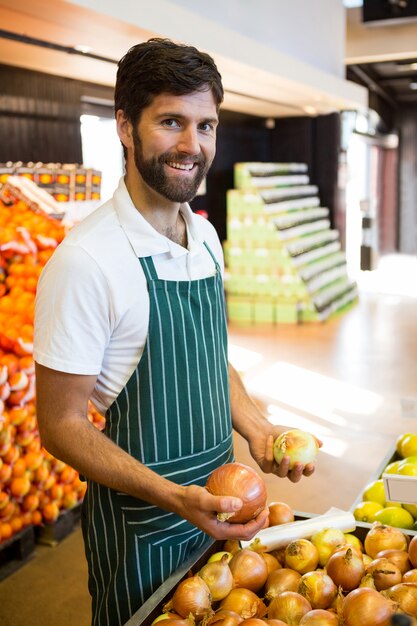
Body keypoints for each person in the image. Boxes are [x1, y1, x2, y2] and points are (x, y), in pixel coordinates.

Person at [34, 38, 318, 626]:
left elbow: (212, 357)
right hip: (146, 534)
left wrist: (259, 429)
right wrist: (176, 498)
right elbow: (59, 427)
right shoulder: (85, 262)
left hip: (226, 512)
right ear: (125, 127)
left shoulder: (207, 238)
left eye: (206, 125)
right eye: (171, 121)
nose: (193, 146)